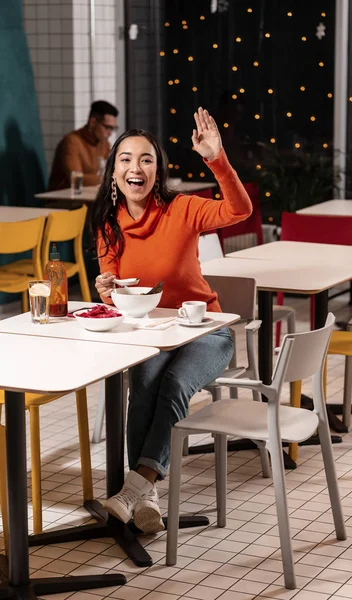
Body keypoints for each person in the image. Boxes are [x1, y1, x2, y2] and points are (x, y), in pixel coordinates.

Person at [91, 107, 252, 534]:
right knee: (143, 385)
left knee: (175, 384)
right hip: (152, 332)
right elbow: (114, 297)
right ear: (113, 173)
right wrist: (104, 287)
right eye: (125, 159)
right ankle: (150, 496)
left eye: (146, 158)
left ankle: (134, 486)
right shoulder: (108, 225)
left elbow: (239, 210)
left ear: (157, 169)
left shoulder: (181, 209)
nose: (135, 167)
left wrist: (216, 158)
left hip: (206, 331)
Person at [48, 100, 119, 190]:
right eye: (107, 127)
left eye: (113, 128)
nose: (110, 133)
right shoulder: (71, 142)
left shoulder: (104, 144)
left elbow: (114, 170)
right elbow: (76, 179)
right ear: (93, 122)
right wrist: (108, 179)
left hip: (86, 196)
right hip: (64, 200)